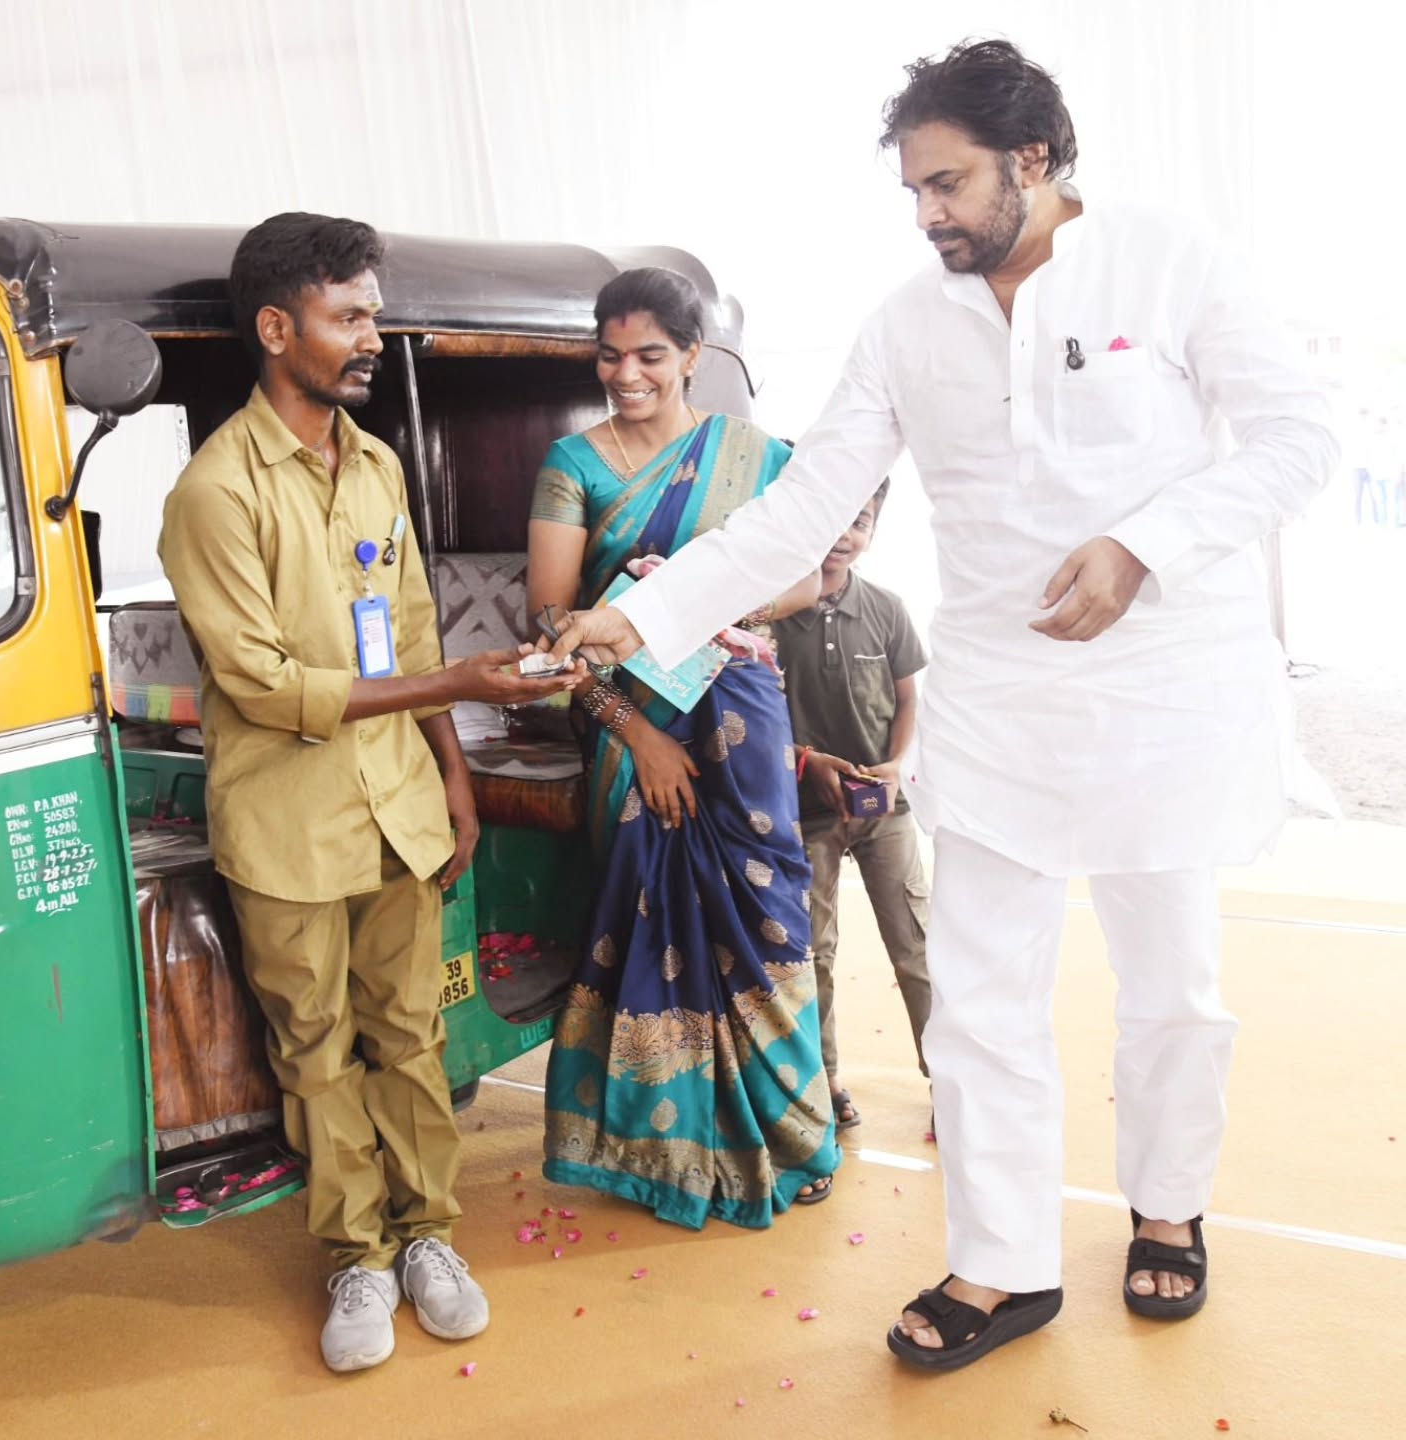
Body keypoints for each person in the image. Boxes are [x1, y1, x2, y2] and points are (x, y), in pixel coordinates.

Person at [544, 41, 1338, 1370]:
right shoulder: (909, 323)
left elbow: (1299, 437)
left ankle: (1169, 1205)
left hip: (1166, 694)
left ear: (1034, 160)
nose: (929, 215)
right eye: (915, 190)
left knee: (1174, 993)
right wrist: (656, 609)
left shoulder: (1171, 263)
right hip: (1001, 706)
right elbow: (802, 505)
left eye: (950, 183)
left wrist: (1149, 543)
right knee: (979, 999)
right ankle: (1005, 1261)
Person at [159, 212, 581, 1374]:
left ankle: (431, 1239)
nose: (370, 339)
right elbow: (265, 684)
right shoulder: (213, 493)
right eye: (351, 317)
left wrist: (452, 774)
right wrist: (452, 683)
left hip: (398, 807)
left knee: (412, 1036)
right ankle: (355, 1256)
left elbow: (407, 632)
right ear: (277, 327)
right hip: (285, 827)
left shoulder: (380, 464)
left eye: (374, 314)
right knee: (316, 1050)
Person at [527, 266, 840, 1229]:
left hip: (740, 705)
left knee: (767, 908)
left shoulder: (755, 454)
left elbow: (816, 570)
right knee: (645, 915)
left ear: (693, 357)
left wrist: (706, 604)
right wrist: (635, 735)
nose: (627, 373)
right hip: (627, 715)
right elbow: (550, 619)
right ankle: (656, 1147)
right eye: (610, 353)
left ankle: (792, 1136)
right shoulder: (572, 466)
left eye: (650, 355)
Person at [771, 478, 933, 1132]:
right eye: (832, 517)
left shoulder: (888, 609)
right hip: (806, 815)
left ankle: (948, 1079)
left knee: (916, 945)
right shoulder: (772, 616)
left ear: (872, 530)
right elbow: (753, 724)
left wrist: (895, 766)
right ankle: (826, 1081)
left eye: (859, 522)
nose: (843, 535)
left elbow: (910, 700)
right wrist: (807, 765)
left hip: (885, 814)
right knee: (813, 953)